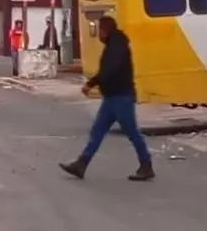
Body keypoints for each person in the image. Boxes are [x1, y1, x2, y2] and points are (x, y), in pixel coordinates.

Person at [59, 16, 154, 181]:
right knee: (97, 131)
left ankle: (146, 165)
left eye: (100, 31)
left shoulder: (118, 47)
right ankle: (81, 164)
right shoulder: (113, 45)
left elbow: (109, 71)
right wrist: (93, 84)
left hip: (121, 97)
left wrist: (92, 83)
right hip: (111, 97)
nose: (98, 35)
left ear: (105, 30)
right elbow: (106, 71)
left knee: (132, 132)